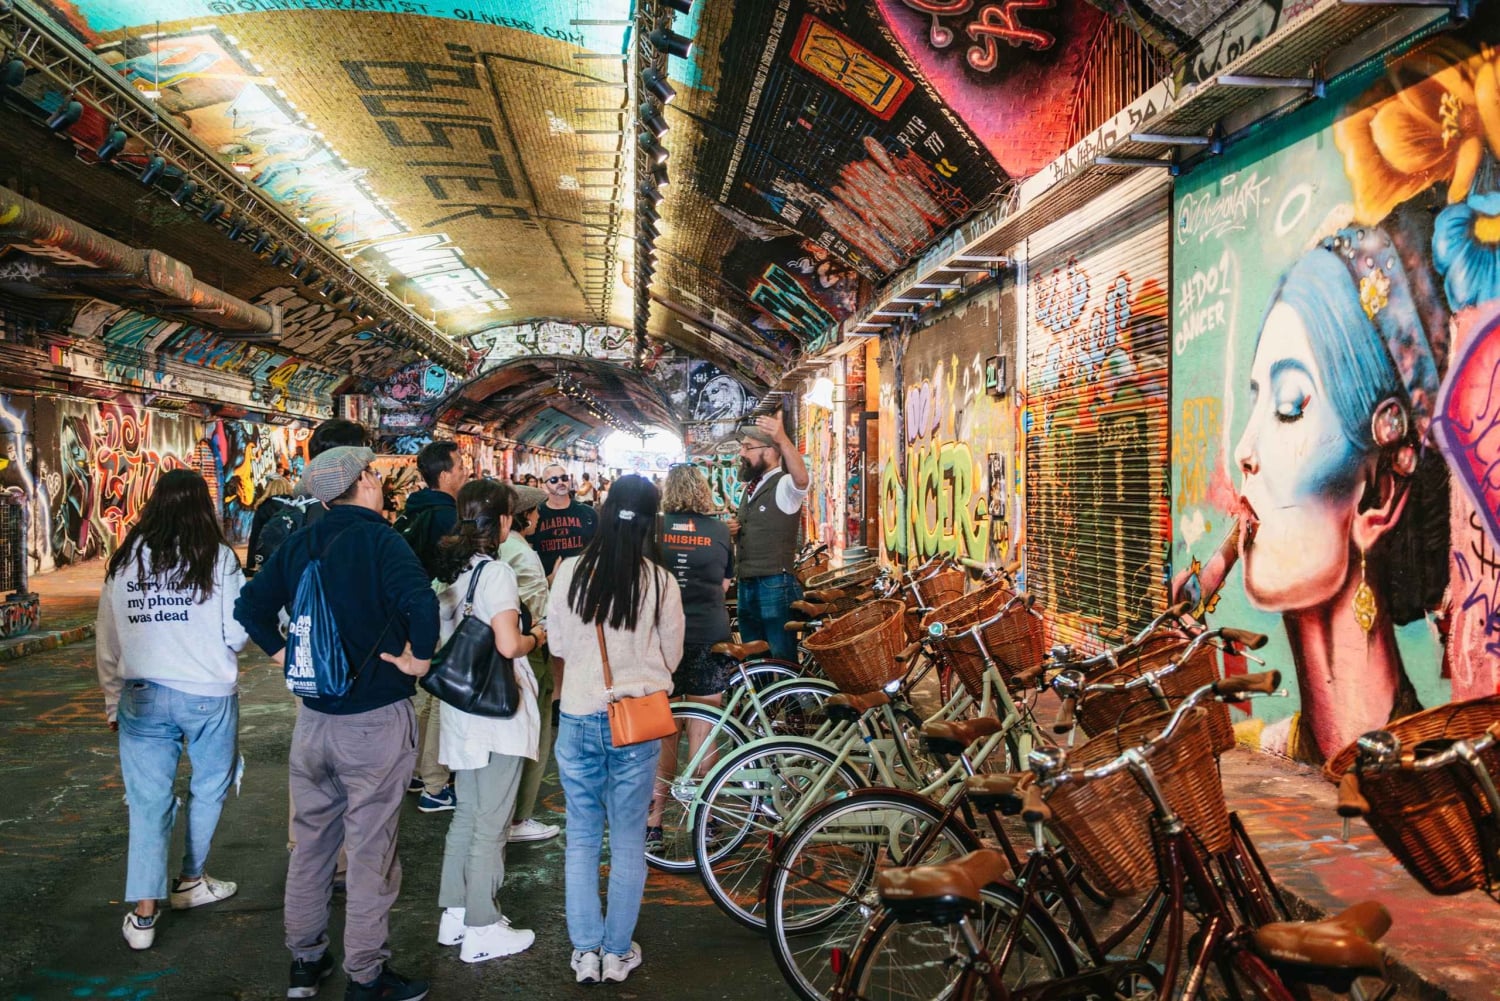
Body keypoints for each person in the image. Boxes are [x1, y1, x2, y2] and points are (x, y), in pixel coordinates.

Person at [1227, 226, 1447, 763]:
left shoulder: (1430, 797)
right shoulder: (1264, 753)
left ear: (1380, 496)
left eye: (1289, 404)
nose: (1244, 450)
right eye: (1256, 401)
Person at [235, 445, 439, 1001]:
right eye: (374, 474)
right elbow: (421, 604)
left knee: (312, 847)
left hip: (314, 721)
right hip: (374, 721)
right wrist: (419, 659)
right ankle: (367, 976)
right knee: (371, 852)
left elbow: (249, 606)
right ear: (364, 483)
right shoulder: (382, 541)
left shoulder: (301, 541)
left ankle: (305, 962)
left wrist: (281, 656)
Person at [96, 469, 247, 950]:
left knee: (147, 803)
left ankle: (143, 916)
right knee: (209, 787)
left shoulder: (124, 561)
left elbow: (108, 639)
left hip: (141, 693)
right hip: (207, 696)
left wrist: (111, 698)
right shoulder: (218, 558)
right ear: (205, 505)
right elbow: (238, 633)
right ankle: (190, 881)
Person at [546, 475, 684, 985]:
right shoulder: (659, 581)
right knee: (628, 840)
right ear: (652, 522)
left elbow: (557, 644)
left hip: (580, 714)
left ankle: (585, 953)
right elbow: (671, 656)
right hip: (636, 723)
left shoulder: (569, 573)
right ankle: (617, 952)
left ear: (604, 513)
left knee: (581, 837)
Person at [431, 480, 549, 964]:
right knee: (492, 821)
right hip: (495, 709)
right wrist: (537, 636)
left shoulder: (452, 572)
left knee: (467, 813)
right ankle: (482, 925)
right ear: (501, 521)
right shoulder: (496, 572)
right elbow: (507, 644)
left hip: (461, 708)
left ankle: (455, 914)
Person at [647, 464, 734, 851]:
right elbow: (725, 583)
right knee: (705, 730)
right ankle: (707, 821)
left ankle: (653, 825)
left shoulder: (653, 529)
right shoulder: (719, 531)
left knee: (664, 729)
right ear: (703, 491)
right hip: (709, 635)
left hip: (662, 640)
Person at [401, 441, 467, 814]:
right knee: (442, 698)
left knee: (425, 698)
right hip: (441, 614)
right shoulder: (448, 518)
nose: (465, 472)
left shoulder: (412, 512)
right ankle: (436, 785)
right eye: (459, 466)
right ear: (444, 475)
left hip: (413, 615)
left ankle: (415, 770)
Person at [500, 484, 562, 843]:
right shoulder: (521, 553)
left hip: (502, 650)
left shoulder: (500, 546)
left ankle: (503, 812)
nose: (540, 517)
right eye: (537, 512)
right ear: (524, 515)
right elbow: (538, 608)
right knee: (534, 732)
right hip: (528, 648)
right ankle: (519, 818)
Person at [726, 413, 809, 664]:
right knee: (753, 655)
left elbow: (802, 479)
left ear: (771, 452)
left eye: (748, 447)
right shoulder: (751, 488)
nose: (742, 453)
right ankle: (764, 703)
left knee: (781, 654)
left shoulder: (784, 485)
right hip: (748, 582)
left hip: (775, 582)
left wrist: (782, 438)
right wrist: (734, 529)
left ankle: (790, 702)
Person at [534, 464, 598, 578]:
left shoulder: (588, 513)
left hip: (582, 579)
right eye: (554, 480)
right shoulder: (536, 515)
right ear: (544, 486)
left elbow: (598, 547)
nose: (560, 482)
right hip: (547, 583)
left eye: (564, 478)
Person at [244, 476, 293, 577]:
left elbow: (255, 535)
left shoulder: (264, 507)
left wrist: (251, 563)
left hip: (268, 554)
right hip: (289, 553)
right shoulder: (295, 505)